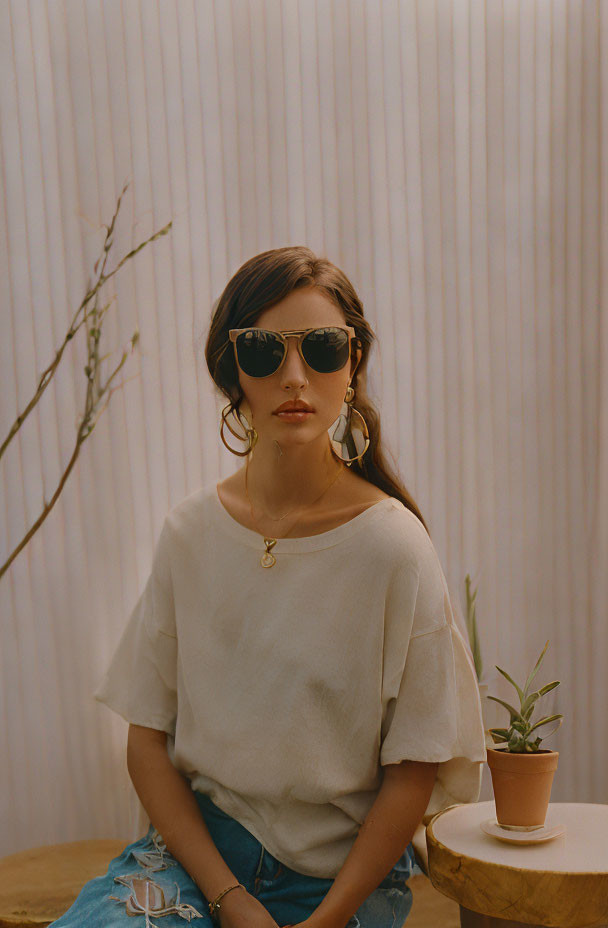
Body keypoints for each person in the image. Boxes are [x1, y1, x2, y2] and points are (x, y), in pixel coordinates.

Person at [48, 246, 487, 928]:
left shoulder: (395, 549)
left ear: (353, 365)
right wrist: (231, 898)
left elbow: (414, 770)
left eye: (321, 348)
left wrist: (325, 920)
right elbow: (146, 742)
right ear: (233, 373)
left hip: (342, 881)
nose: (293, 376)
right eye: (262, 351)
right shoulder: (189, 534)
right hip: (196, 863)